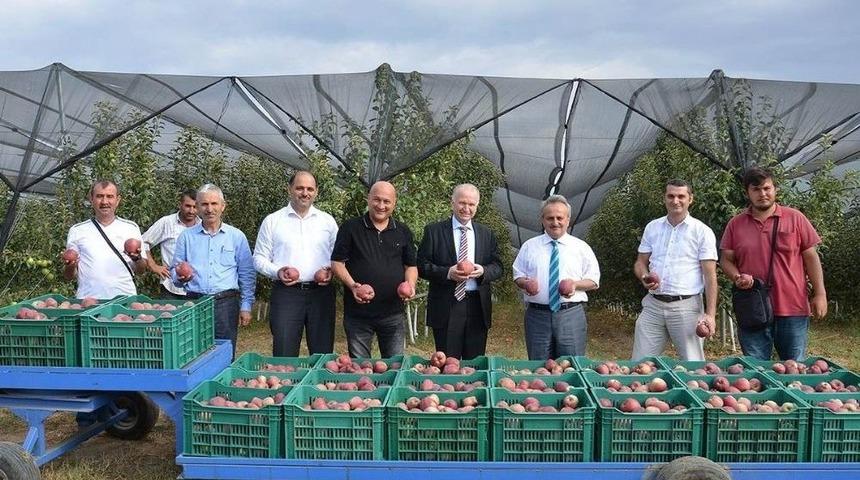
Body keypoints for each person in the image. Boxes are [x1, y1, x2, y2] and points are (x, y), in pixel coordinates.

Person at [720, 167, 827, 360]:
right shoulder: (736, 224)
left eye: (767, 188)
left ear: (775, 189)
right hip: (753, 307)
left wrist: (820, 293)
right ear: (748, 193)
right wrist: (736, 277)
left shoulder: (795, 218)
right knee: (756, 370)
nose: (763, 194)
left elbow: (811, 257)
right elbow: (726, 259)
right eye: (756, 190)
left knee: (794, 369)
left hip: (792, 307)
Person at [631, 179, 718, 361]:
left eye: (681, 196)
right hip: (653, 305)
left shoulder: (702, 232)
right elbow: (640, 263)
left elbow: (710, 276)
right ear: (664, 198)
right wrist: (645, 277)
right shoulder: (652, 227)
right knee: (639, 365)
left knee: (693, 366)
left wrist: (710, 315)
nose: (675, 201)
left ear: (690, 199)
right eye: (671, 196)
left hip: (686, 308)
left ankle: (694, 390)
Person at [253, 171, 338, 356]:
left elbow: (338, 257)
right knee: (284, 351)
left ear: (316, 192)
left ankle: (319, 385)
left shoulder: (327, 221)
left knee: (323, 352)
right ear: (289, 189)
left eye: (310, 189)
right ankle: (286, 384)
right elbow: (259, 258)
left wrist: (331, 270)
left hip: (321, 294)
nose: (304, 193)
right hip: (286, 294)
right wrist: (278, 271)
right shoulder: (273, 221)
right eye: (299, 188)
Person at [331, 181, 417, 358]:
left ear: (394, 203)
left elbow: (411, 265)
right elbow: (337, 263)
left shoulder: (402, 231)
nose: (381, 205)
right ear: (368, 199)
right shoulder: (350, 228)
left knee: (394, 365)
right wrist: (353, 285)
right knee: (360, 369)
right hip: (358, 314)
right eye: (376, 200)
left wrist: (410, 284)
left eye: (387, 201)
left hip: (393, 313)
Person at [417, 184, 503, 359]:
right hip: (447, 304)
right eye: (462, 203)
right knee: (448, 362)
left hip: (477, 305)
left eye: (471, 204)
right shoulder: (434, 231)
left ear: (477, 206)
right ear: (453, 203)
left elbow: (498, 266)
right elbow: (421, 266)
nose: (466, 208)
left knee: (474, 363)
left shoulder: (486, 234)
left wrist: (483, 271)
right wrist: (447, 273)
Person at [172, 184, 256, 358]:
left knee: (224, 354)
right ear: (197, 207)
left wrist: (246, 305)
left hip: (225, 303)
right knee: (192, 354)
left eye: (214, 204)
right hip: (194, 302)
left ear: (223, 206)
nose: (209, 209)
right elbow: (174, 272)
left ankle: (222, 385)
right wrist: (180, 276)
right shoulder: (187, 237)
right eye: (204, 204)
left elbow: (247, 273)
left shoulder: (236, 236)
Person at [512, 195, 600, 360]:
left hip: (570, 315)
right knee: (539, 367)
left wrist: (575, 285)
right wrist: (525, 283)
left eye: (560, 218)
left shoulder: (581, 248)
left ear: (568, 220)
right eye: (550, 218)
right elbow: (517, 275)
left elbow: (594, 281)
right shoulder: (530, 246)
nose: (555, 222)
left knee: (572, 366)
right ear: (542, 220)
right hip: (537, 316)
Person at [63, 180, 147, 298]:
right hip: (88, 301)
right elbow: (69, 276)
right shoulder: (77, 230)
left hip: (124, 300)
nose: (104, 201)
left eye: (110, 196)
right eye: (99, 196)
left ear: (117, 200)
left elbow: (141, 271)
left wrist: (137, 258)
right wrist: (70, 265)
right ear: (91, 199)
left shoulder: (131, 228)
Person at [142, 190, 200, 299]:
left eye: (195, 207)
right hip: (170, 288)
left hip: (196, 288)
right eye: (188, 206)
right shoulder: (167, 222)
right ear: (180, 204)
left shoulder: (202, 226)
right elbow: (143, 241)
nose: (191, 211)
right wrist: (153, 266)